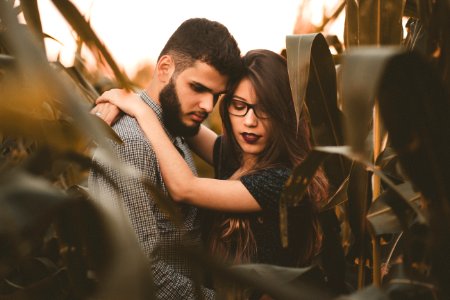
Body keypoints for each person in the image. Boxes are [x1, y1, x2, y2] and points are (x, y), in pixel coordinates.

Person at [95, 49, 329, 273]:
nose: (249, 121)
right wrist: (128, 100)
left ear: (284, 114)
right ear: (227, 108)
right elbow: (182, 120)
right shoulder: (238, 157)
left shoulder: (283, 181)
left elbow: (184, 188)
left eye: (264, 109)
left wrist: (139, 110)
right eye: (239, 106)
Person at [88, 18, 243, 300]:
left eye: (216, 95)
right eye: (197, 88)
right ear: (164, 69)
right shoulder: (133, 143)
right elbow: (142, 274)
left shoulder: (173, 127)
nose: (208, 106)